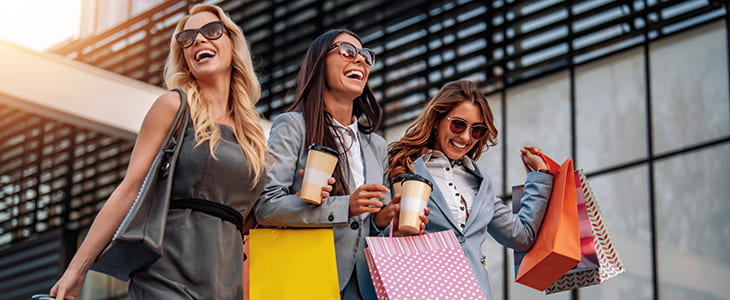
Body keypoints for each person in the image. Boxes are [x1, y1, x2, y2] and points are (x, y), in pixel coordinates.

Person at [50, 4, 268, 299]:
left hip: (223, 285)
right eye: (187, 38)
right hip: (166, 278)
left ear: (233, 43)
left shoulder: (252, 133)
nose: (199, 40)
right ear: (184, 58)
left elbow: (250, 219)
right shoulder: (174, 107)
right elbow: (130, 190)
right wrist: (76, 270)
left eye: (211, 31)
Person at [255, 29, 405, 300]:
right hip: (308, 278)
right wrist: (345, 205)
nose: (359, 60)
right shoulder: (292, 126)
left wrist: (384, 219)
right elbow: (267, 205)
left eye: (365, 56)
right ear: (319, 63)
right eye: (347, 51)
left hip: (367, 285)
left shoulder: (377, 145)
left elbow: (368, 227)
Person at [387, 80, 553, 299]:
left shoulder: (481, 183)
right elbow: (376, 230)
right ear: (437, 120)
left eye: (477, 130)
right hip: (421, 292)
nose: (465, 137)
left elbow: (521, 236)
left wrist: (538, 176)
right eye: (458, 124)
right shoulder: (402, 168)